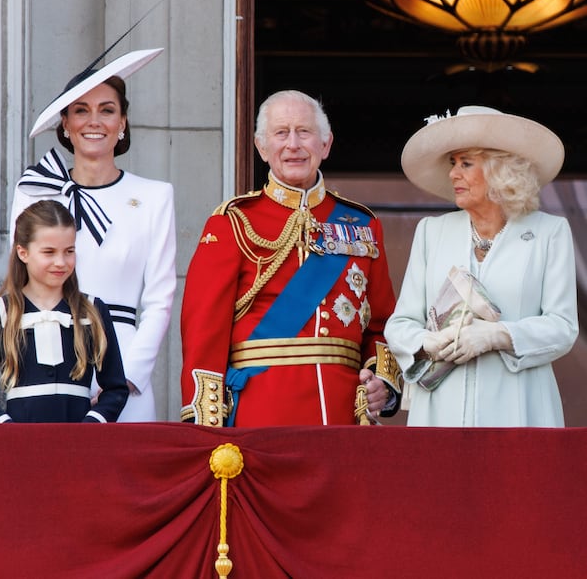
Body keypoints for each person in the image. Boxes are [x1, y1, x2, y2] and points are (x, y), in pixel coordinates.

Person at [180, 90, 402, 427]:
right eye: (281, 132)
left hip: (343, 415)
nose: (293, 144)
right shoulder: (233, 222)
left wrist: (381, 383)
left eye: (305, 132)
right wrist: (206, 426)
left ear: (325, 145)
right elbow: (203, 332)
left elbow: (382, 326)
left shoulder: (361, 225)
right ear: (262, 148)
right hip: (259, 412)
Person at [10, 47, 175, 422]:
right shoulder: (35, 189)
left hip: (125, 359)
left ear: (123, 123)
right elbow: (18, 282)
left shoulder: (155, 196)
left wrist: (126, 377)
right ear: (65, 124)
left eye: (107, 109)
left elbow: (160, 300)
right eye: (81, 110)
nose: (94, 121)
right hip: (46, 357)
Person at [386, 106, 578, 427]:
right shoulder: (432, 232)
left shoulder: (549, 232)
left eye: (465, 163)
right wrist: (425, 343)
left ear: (499, 169)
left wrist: (498, 336)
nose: (453, 174)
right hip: (439, 411)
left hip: (519, 411)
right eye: (453, 163)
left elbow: (563, 326)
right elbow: (400, 323)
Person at [0, 200, 129, 423]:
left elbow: (116, 388)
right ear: (23, 253)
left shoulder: (93, 311)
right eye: (49, 252)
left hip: (80, 447)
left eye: (69, 251)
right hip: (21, 446)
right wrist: (6, 427)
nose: (61, 262)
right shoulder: (1, 312)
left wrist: (92, 424)